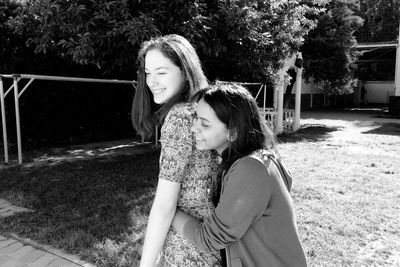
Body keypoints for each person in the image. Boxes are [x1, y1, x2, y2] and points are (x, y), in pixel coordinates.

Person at [172, 83, 308, 267]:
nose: (194, 128)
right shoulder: (258, 159)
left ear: (233, 132)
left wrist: (168, 211)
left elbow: (209, 239)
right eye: (196, 118)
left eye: (204, 123)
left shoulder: (250, 169)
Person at [131, 34, 222, 266]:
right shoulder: (204, 110)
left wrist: (146, 264)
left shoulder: (180, 117)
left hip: (188, 250)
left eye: (161, 72)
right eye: (147, 73)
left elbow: (164, 205)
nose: (151, 81)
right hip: (209, 241)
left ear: (185, 71)